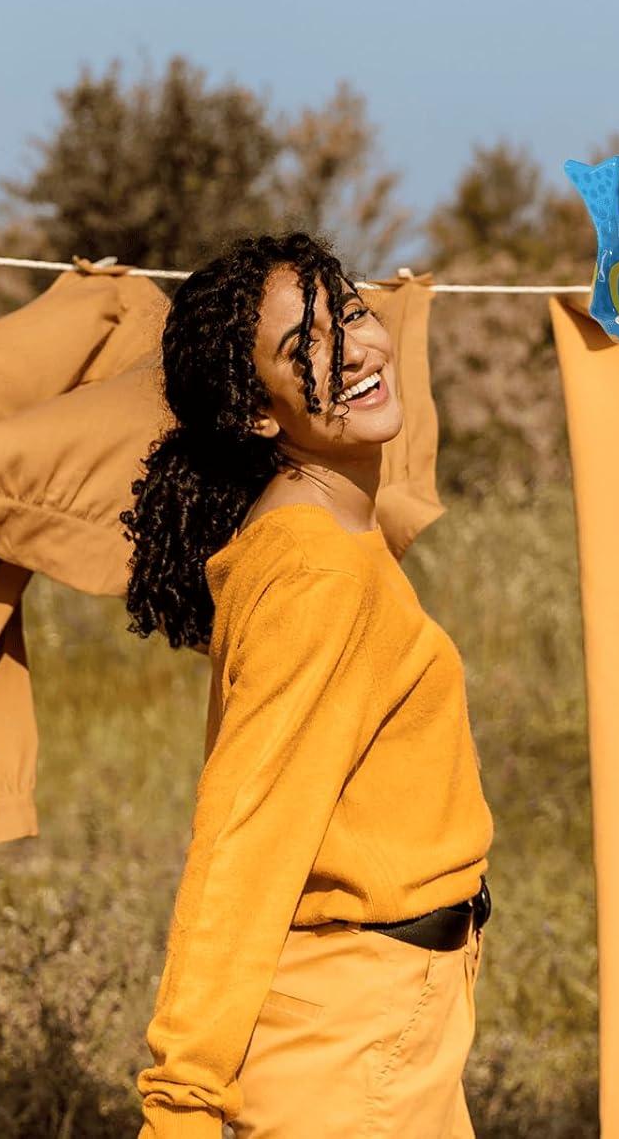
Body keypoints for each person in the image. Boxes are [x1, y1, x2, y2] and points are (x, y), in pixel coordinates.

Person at [122, 232, 495, 1139]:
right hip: (350, 1045)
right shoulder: (314, 568)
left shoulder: (334, 530)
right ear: (259, 411)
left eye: (352, 314)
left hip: (389, 1018)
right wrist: (182, 1098)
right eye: (305, 348)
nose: (354, 351)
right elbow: (246, 835)